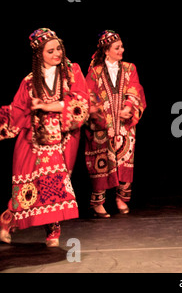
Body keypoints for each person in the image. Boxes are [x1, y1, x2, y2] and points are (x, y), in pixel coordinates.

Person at [0, 28, 89, 246]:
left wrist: (45, 105)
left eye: (59, 48)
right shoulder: (29, 81)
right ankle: (7, 221)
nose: (57, 54)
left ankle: (52, 230)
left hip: (62, 138)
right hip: (34, 140)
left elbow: (81, 103)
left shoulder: (72, 71)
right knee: (31, 186)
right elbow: (18, 109)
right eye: (51, 51)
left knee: (55, 184)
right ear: (39, 54)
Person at [85, 30, 146, 218]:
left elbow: (135, 89)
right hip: (102, 127)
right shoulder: (94, 73)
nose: (122, 50)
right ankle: (98, 203)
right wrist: (103, 118)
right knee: (101, 163)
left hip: (124, 125)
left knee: (125, 160)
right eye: (117, 47)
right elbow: (89, 97)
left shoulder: (129, 68)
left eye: (121, 46)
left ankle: (122, 198)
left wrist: (128, 108)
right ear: (106, 51)